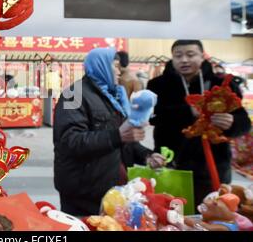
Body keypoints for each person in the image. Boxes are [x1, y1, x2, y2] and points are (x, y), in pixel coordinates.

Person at [53, 48, 166, 216]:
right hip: (84, 191)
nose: (119, 71)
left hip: (115, 187)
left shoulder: (115, 95)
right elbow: (69, 141)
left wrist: (146, 155)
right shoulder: (73, 94)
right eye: (115, 66)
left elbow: (123, 139)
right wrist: (117, 135)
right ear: (101, 66)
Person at [147, 40, 251, 207]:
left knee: (214, 212)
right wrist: (187, 111)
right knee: (172, 212)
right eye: (178, 56)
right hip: (171, 161)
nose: (184, 60)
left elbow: (245, 123)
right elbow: (153, 117)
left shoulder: (222, 85)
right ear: (172, 58)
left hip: (213, 165)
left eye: (190, 54)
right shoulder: (157, 85)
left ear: (202, 56)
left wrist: (233, 122)